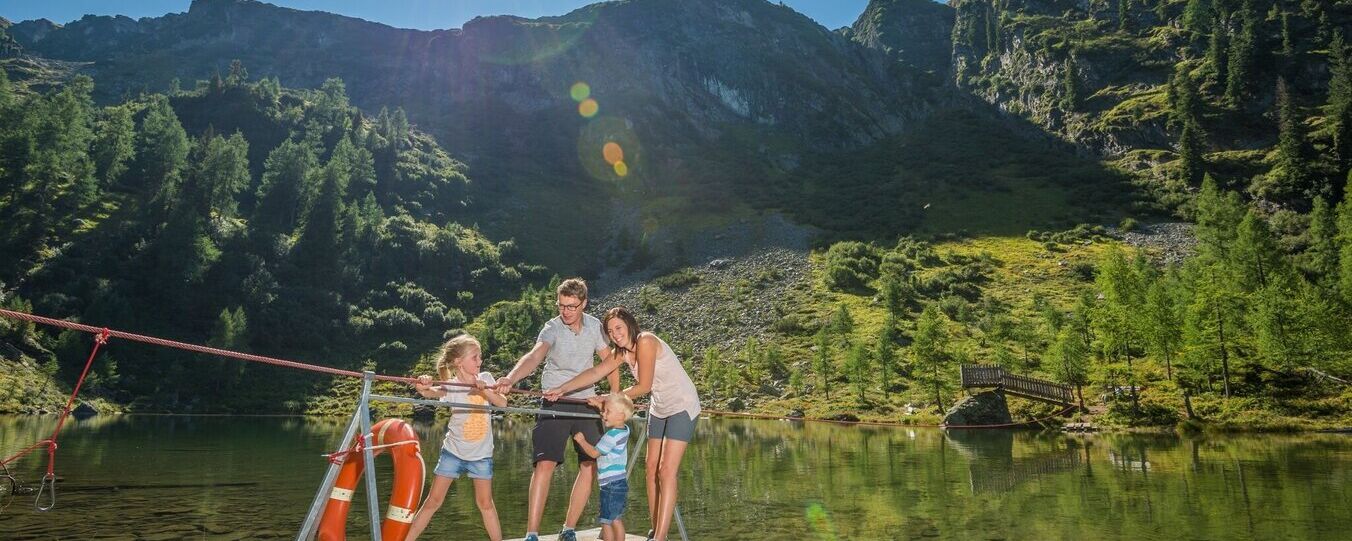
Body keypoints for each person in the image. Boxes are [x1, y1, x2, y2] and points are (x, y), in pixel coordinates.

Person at [544, 306, 701, 541]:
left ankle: (660, 537)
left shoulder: (646, 341)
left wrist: (609, 398)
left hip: (682, 405)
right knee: (650, 469)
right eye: (610, 331)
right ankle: (656, 528)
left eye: (618, 327)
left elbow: (644, 386)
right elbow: (596, 372)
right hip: (659, 408)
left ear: (629, 324)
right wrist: (562, 388)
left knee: (666, 471)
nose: (615, 334)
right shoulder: (621, 353)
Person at [494, 278, 620, 541]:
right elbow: (535, 356)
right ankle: (532, 533)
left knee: (590, 463)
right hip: (554, 400)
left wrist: (615, 397)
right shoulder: (551, 328)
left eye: (572, 307)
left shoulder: (595, 326)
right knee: (545, 463)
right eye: (561, 306)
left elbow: (609, 361)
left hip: (585, 402)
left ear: (584, 303)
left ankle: (569, 528)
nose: (565, 312)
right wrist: (510, 378)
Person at [406, 334, 507, 541]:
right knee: (433, 501)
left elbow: (502, 403)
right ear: (458, 362)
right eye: (475, 357)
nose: (480, 361)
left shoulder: (486, 378)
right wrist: (422, 384)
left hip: (481, 455)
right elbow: (429, 392)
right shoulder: (451, 386)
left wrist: (485, 391)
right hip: (453, 452)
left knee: (485, 504)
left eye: (480, 357)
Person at [571, 393, 635, 541]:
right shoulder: (624, 429)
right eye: (604, 411)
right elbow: (612, 415)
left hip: (610, 484)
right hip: (619, 482)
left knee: (606, 520)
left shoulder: (610, 437)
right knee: (616, 519)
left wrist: (581, 441)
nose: (603, 414)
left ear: (620, 416)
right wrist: (599, 405)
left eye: (607, 412)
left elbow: (594, 453)